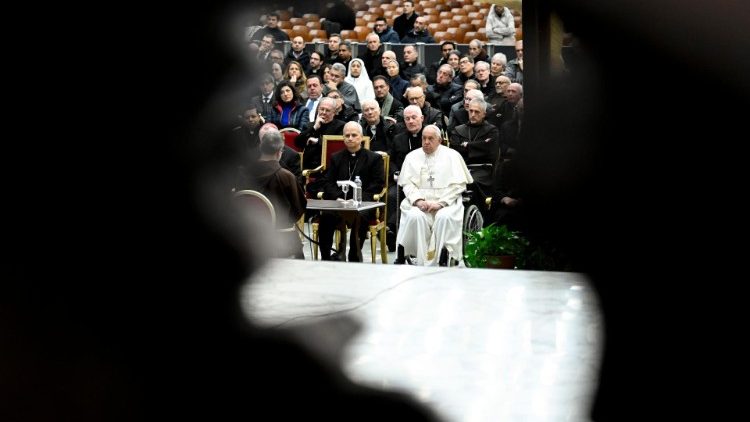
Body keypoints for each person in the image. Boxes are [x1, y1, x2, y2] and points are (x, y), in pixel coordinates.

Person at [394, 124, 472, 267]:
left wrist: (440, 203)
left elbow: (458, 186)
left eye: (430, 139)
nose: (426, 142)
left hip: (446, 203)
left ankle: (442, 256)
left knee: (444, 217)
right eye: (424, 138)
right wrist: (418, 200)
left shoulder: (452, 156)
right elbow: (407, 184)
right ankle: (418, 256)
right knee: (414, 216)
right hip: (420, 203)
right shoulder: (412, 157)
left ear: (439, 140)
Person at [317, 122, 385, 262]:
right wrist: (338, 198)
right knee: (326, 217)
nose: (350, 138)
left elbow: (377, 184)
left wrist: (357, 200)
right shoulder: (336, 157)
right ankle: (325, 257)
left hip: (362, 204)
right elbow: (327, 182)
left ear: (361, 137)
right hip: (340, 203)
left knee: (359, 217)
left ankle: (354, 255)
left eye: (354, 135)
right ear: (343, 138)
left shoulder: (374, 158)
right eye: (347, 135)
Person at [240, 129, 307, 259]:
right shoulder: (286, 177)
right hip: (280, 237)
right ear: (279, 153)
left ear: (261, 149)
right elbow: (298, 209)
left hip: (247, 237)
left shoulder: (243, 175)